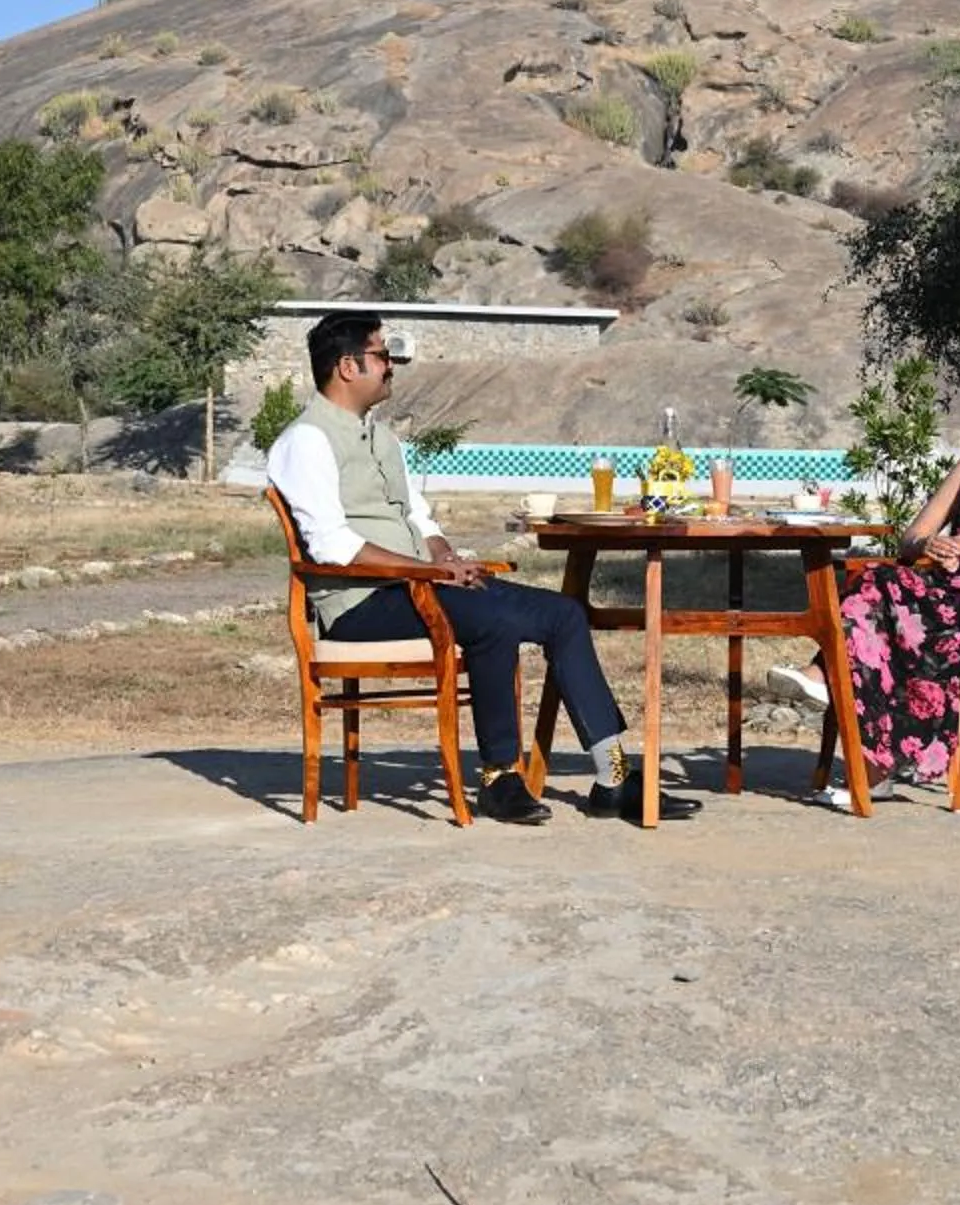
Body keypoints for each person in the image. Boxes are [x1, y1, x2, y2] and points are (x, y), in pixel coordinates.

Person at [266, 311, 678, 825]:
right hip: (360, 605)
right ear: (348, 367)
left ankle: (612, 776)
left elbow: (417, 514)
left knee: (564, 614)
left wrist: (444, 557)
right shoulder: (306, 441)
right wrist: (430, 575)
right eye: (381, 355)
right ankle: (499, 777)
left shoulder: (381, 437)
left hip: (419, 587)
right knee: (492, 621)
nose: (391, 365)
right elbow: (331, 546)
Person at [773, 369, 960, 806]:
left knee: (883, 594)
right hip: (953, 597)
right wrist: (931, 543)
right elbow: (910, 540)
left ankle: (828, 683)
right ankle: (872, 768)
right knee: (873, 587)